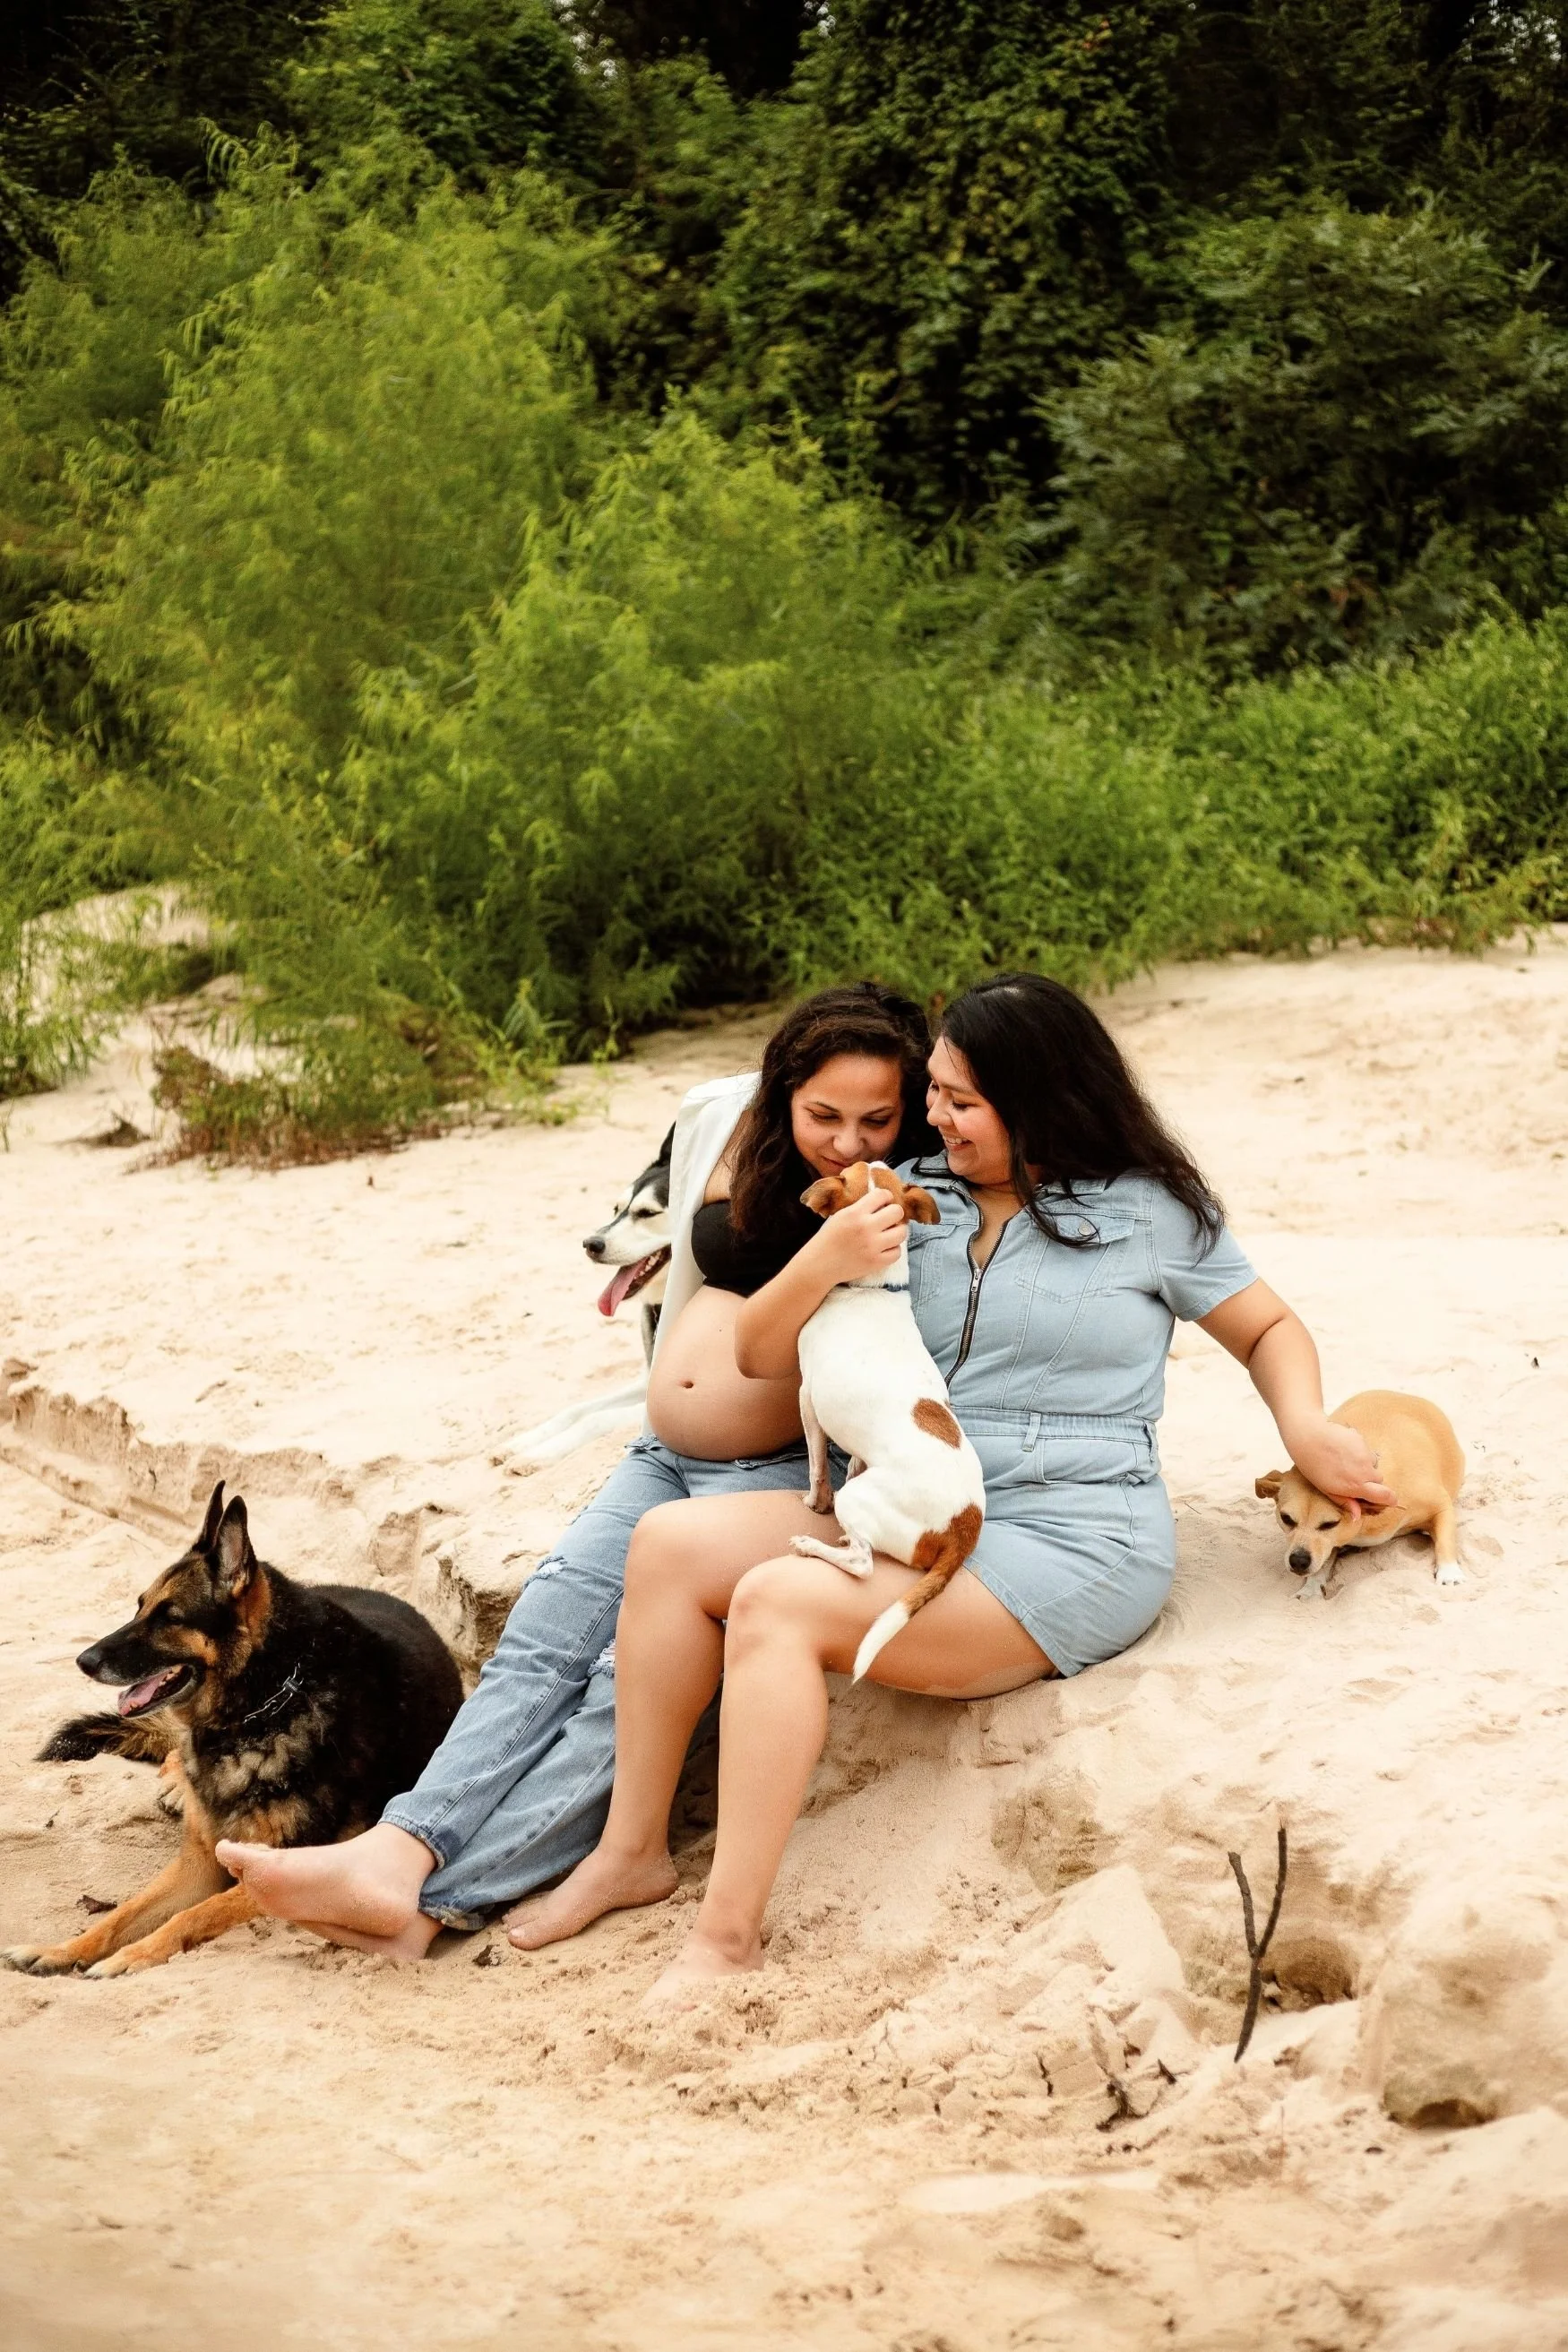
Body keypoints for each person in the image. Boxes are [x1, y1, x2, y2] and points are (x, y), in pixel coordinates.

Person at [504, 972, 1396, 1994]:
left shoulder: (1149, 1212)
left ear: (1038, 1100)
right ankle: (631, 1854)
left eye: (957, 1099)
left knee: (777, 1604)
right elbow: (759, 1346)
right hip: (919, 1497)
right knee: (664, 1544)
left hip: (1073, 1534)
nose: (929, 1115)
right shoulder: (903, 1194)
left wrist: (1304, 1422)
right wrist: (828, 1253)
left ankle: (725, 1938)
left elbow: (1266, 1325)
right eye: (933, 1091)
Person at [215, 983, 936, 1954]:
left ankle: (436, 1899)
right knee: (537, 1647)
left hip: (769, 1477)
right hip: (664, 1452)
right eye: (824, 1114)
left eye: (875, 1119)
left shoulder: (896, 1190)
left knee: (616, 1693)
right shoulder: (738, 1123)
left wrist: (843, 1237)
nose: (847, 1141)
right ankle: (397, 1851)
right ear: (783, 1090)